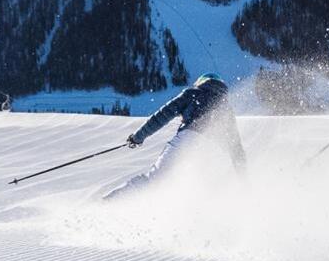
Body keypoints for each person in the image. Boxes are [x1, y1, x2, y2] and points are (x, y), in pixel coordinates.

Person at [103, 73, 248, 200]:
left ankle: (109, 202)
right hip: (209, 151)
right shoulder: (225, 108)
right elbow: (236, 147)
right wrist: (244, 179)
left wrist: (138, 137)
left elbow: (162, 116)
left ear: (201, 82)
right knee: (191, 192)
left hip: (188, 140)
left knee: (155, 180)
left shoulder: (193, 94)